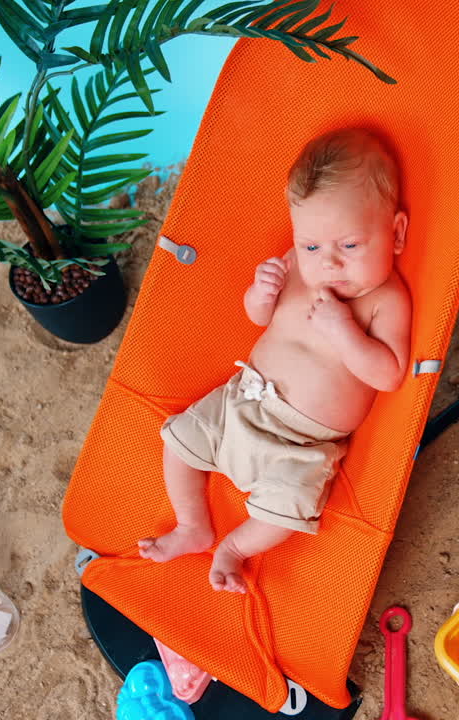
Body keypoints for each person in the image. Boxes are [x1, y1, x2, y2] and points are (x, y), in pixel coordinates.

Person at [138, 128, 413, 593]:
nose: (328, 263)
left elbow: (388, 374)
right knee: (179, 438)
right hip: (240, 401)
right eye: (311, 246)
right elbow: (258, 317)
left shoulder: (385, 300)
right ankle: (192, 525)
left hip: (302, 444)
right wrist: (260, 294)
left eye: (349, 246)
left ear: (396, 233)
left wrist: (344, 332)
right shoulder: (294, 265)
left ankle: (234, 548)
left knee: (288, 505)